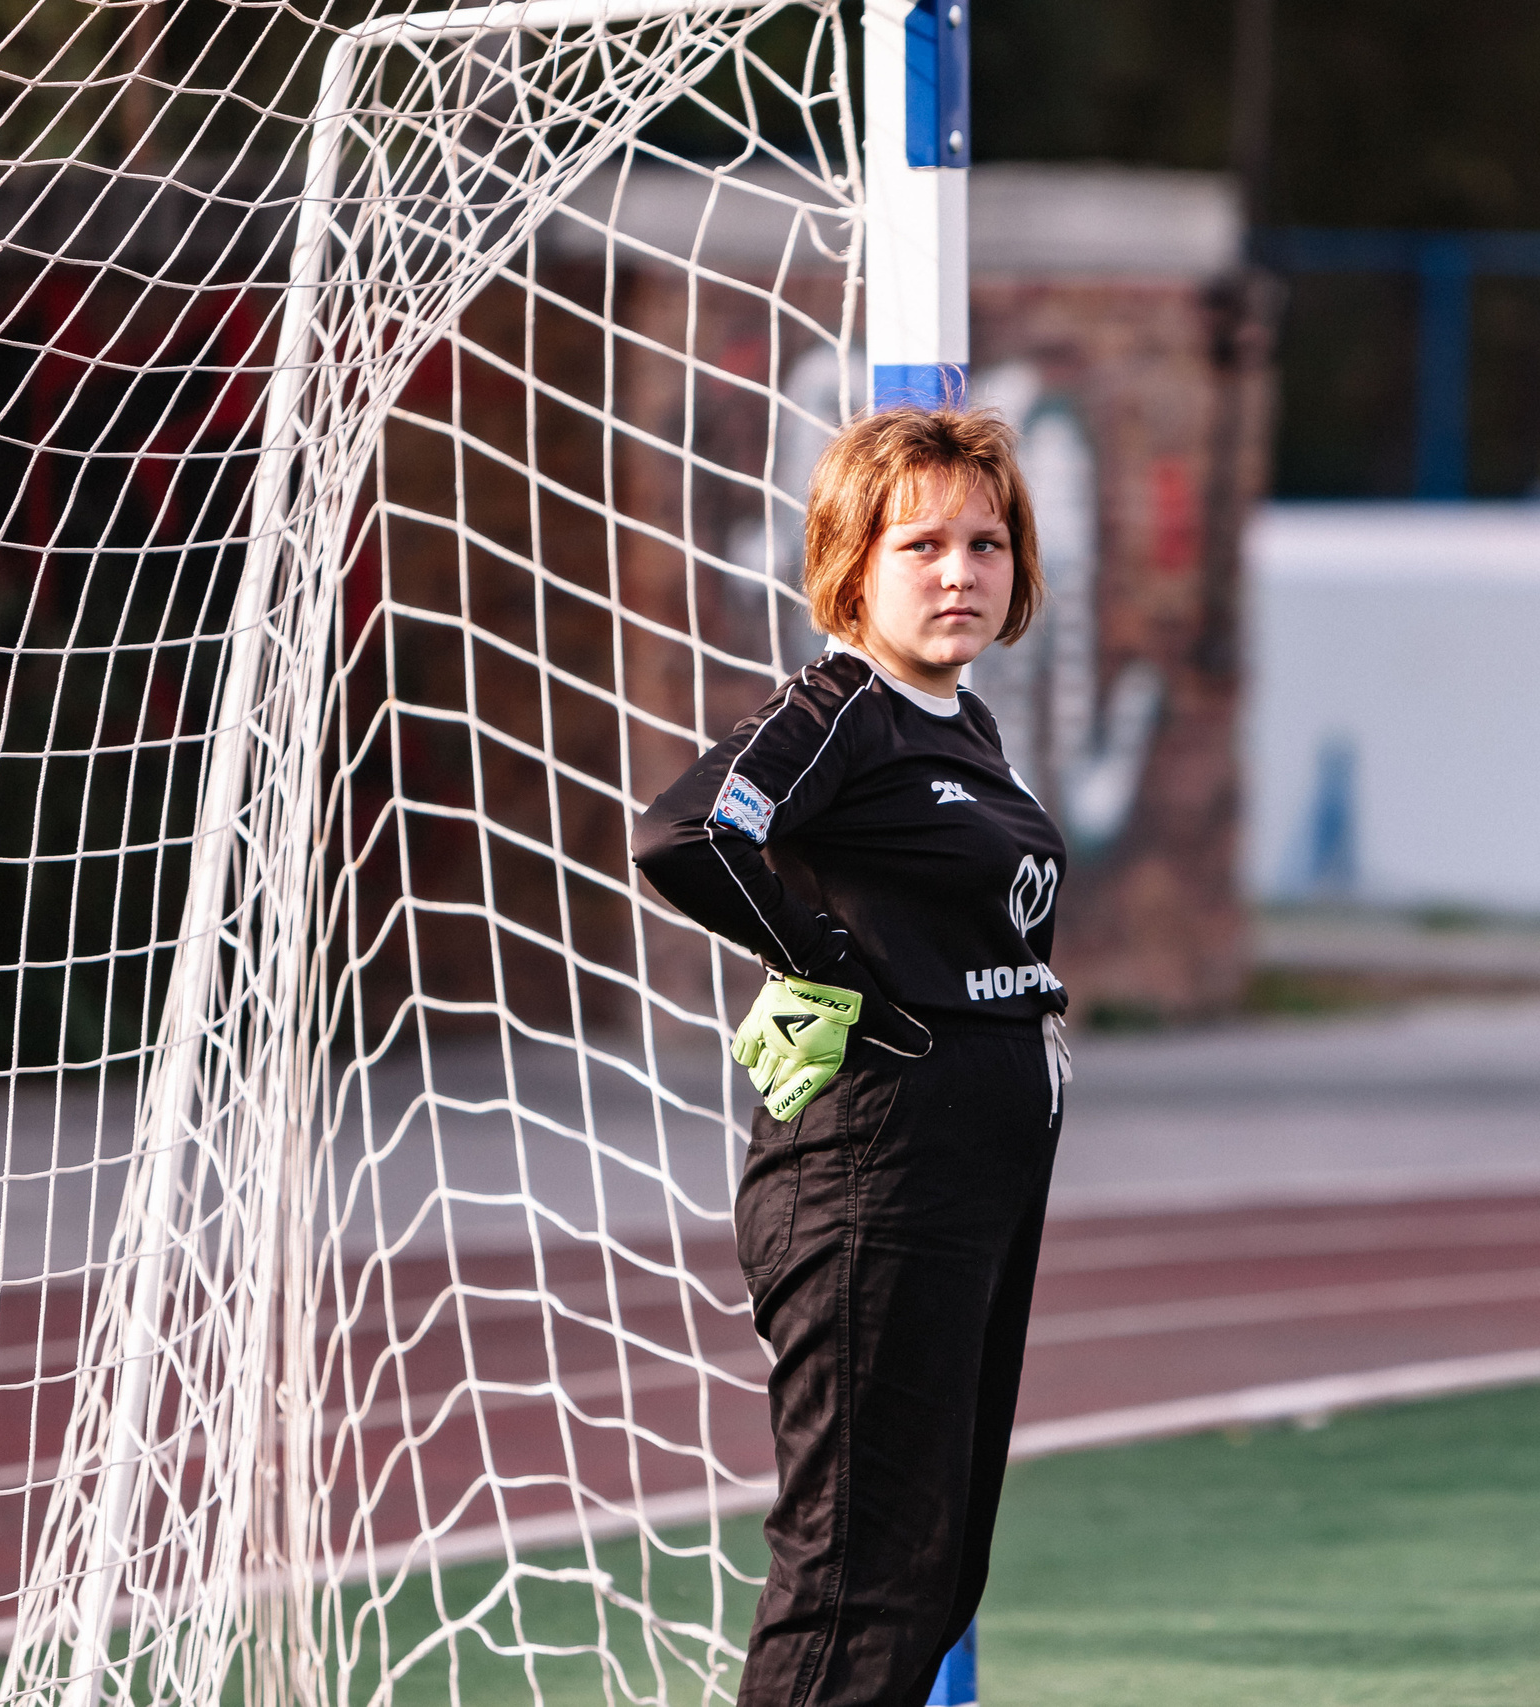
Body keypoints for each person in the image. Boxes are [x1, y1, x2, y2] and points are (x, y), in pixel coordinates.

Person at [631, 405, 1071, 1707]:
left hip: (970, 1184)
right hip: (874, 1179)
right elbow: (688, 833)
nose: (959, 572)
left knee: (931, 1566)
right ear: (852, 562)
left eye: (986, 544)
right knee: (856, 1571)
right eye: (921, 543)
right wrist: (833, 966)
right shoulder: (844, 711)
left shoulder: (959, 727)